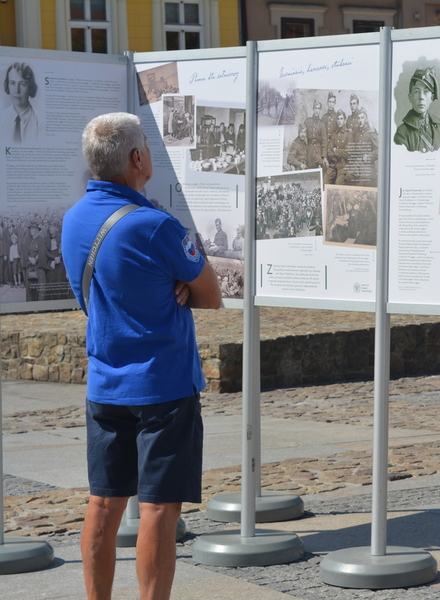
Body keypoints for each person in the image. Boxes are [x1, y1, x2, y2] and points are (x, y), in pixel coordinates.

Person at [61, 112, 222, 600]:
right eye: (147, 146)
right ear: (136, 158)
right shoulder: (156, 225)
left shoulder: (72, 220)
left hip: (105, 384)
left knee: (104, 504)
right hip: (164, 385)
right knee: (158, 509)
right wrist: (179, 283)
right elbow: (211, 293)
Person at [394, 66, 440, 153]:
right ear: (410, 97)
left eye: (426, 92)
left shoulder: (438, 127)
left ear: (431, 97)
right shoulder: (402, 132)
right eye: (417, 92)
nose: (421, 97)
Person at [1, 62, 44, 144]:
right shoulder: (2, 118)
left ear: (30, 87)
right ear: (7, 85)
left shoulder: (40, 121)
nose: (16, 90)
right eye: (12, 83)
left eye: (23, 84)